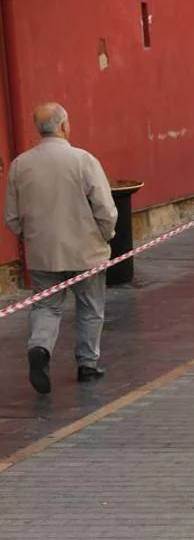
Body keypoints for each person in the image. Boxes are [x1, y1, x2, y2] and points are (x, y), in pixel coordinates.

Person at [5, 103, 116, 395]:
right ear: (65, 125)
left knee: (46, 306)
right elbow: (105, 208)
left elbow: (12, 217)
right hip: (86, 249)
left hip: (43, 252)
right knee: (91, 307)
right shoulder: (84, 160)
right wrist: (105, 235)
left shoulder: (20, 165)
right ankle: (88, 364)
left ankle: (40, 347)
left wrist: (30, 238)